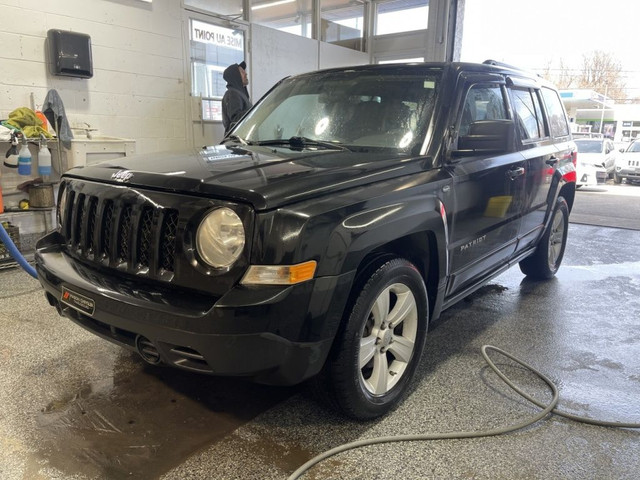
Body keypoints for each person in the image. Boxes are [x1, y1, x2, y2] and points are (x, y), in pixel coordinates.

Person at [222, 61, 252, 135]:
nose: (245, 73)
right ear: (235, 75)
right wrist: (255, 112)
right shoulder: (233, 93)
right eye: (242, 72)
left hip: (242, 138)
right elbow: (236, 119)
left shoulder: (239, 94)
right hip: (238, 140)